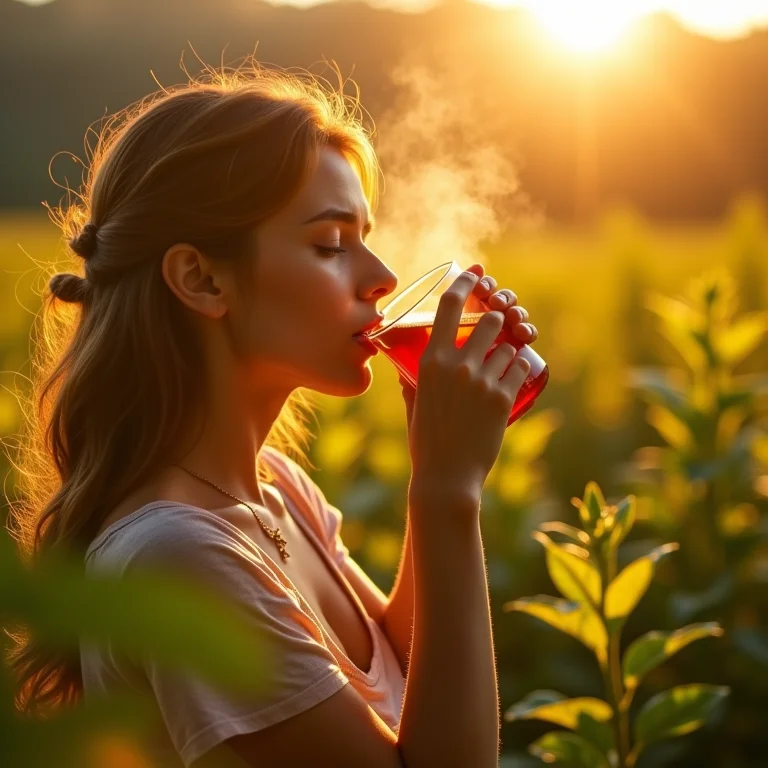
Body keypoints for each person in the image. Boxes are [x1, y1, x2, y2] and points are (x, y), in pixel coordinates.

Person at [6, 60, 537, 767]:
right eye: (329, 244)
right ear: (202, 279)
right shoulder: (178, 556)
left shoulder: (279, 491)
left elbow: (408, 673)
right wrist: (448, 495)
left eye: (366, 237)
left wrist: (431, 461)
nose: (381, 278)